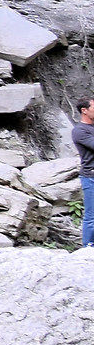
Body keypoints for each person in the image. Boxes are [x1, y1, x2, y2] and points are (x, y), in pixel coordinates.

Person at [74, 97, 94, 248]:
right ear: (84, 110)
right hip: (91, 177)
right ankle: (87, 247)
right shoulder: (79, 131)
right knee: (91, 215)